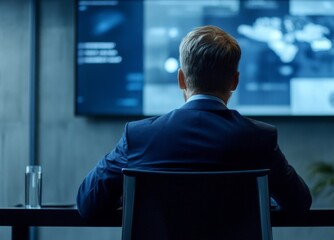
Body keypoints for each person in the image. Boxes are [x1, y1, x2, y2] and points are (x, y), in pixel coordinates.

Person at [76, 25, 312, 218]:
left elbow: (87, 204)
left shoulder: (138, 136)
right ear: (235, 81)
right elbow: (299, 204)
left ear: (181, 79)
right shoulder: (260, 138)